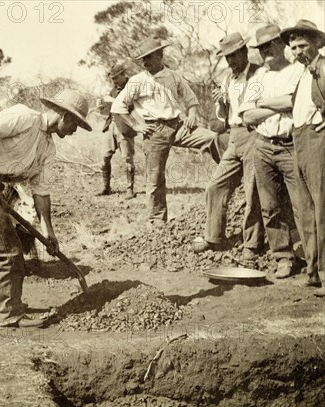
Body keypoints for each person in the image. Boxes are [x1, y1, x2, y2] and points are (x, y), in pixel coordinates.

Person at [0, 89, 92, 328]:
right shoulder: (24, 117)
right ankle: (9, 315)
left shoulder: (48, 148)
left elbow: (41, 193)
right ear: (65, 116)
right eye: (75, 125)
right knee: (8, 250)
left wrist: (49, 233)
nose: (73, 131)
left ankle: (5, 301)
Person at [111, 36, 221, 225]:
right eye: (143, 59)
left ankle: (231, 175)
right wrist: (136, 125)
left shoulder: (174, 76)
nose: (145, 63)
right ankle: (157, 220)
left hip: (178, 126)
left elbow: (191, 100)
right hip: (154, 131)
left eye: (149, 58)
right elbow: (118, 107)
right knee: (155, 179)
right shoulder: (137, 81)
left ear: (160, 56)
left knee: (213, 139)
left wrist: (192, 114)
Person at [192, 32, 265, 266]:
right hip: (234, 135)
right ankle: (214, 237)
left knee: (252, 191)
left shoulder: (260, 74)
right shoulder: (227, 80)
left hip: (255, 133)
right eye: (227, 58)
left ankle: (252, 244)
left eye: (234, 56)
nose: (231, 62)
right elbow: (223, 117)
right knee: (216, 185)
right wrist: (222, 102)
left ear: (244, 52)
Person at [238, 24, 305, 278]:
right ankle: (283, 257)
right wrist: (274, 105)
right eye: (260, 47)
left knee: (302, 205)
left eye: (269, 45)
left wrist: (263, 104)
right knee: (270, 206)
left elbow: (294, 101)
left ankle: (313, 258)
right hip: (264, 145)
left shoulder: (298, 71)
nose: (265, 51)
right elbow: (247, 115)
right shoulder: (259, 78)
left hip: (291, 144)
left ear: (282, 44)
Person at [280, 20, 325, 296]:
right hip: (299, 139)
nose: (297, 51)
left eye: (303, 45)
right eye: (293, 47)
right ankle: (313, 271)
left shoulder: (323, 68)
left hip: (316, 141)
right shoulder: (301, 73)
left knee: (321, 206)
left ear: (317, 44)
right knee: (305, 210)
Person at [97, 63, 136, 198]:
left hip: (125, 127)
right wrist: (101, 106)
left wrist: (112, 100)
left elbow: (130, 106)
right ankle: (106, 187)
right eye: (112, 79)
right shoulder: (114, 89)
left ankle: (130, 189)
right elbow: (109, 110)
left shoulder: (132, 87)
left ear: (123, 75)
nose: (114, 82)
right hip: (110, 125)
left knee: (128, 160)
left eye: (116, 78)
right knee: (104, 158)